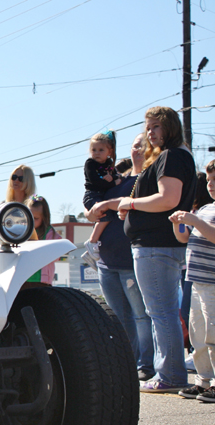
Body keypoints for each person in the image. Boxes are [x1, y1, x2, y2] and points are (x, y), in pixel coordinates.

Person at [118, 106, 197, 393]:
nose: (150, 132)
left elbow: (168, 199)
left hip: (155, 246)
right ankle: (169, 373)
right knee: (163, 312)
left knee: (161, 313)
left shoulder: (172, 156)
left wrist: (131, 203)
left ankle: (170, 376)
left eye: (156, 126)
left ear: (170, 126)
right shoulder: (177, 155)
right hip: (160, 245)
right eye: (148, 127)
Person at [87, 134, 154, 381]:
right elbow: (95, 206)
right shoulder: (117, 180)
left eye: (143, 146)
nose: (138, 150)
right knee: (117, 318)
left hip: (131, 261)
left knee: (141, 315)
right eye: (135, 145)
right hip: (106, 261)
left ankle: (146, 364)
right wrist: (91, 212)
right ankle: (126, 363)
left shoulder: (150, 181)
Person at [168, 159, 215, 402]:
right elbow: (185, 239)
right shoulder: (205, 209)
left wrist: (195, 221)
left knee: (213, 333)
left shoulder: (202, 215)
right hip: (196, 281)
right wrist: (179, 225)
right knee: (198, 333)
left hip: (213, 283)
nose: (211, 184)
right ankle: (203, 380)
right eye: (209, 180)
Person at [82, 131, 120, 262]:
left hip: (103, 196)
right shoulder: (90, 163)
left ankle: (91, 252)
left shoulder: (109, 164)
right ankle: (92, 242)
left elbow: (115, 176)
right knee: (105, 215)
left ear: (109, 151)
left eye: (101, 150)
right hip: (92, 195)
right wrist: (112, 182)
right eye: (94, 150)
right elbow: (95, 181)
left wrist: (113, 178)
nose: (97, 153)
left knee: (107, 215)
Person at [23, 195, 62, 287]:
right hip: (23, 278)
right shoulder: (21, 232)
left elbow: (58, 253)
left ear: (44, 218)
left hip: (42, 281)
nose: (32, 221)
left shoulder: (50, 234)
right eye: (29, 217)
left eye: (36, 218)